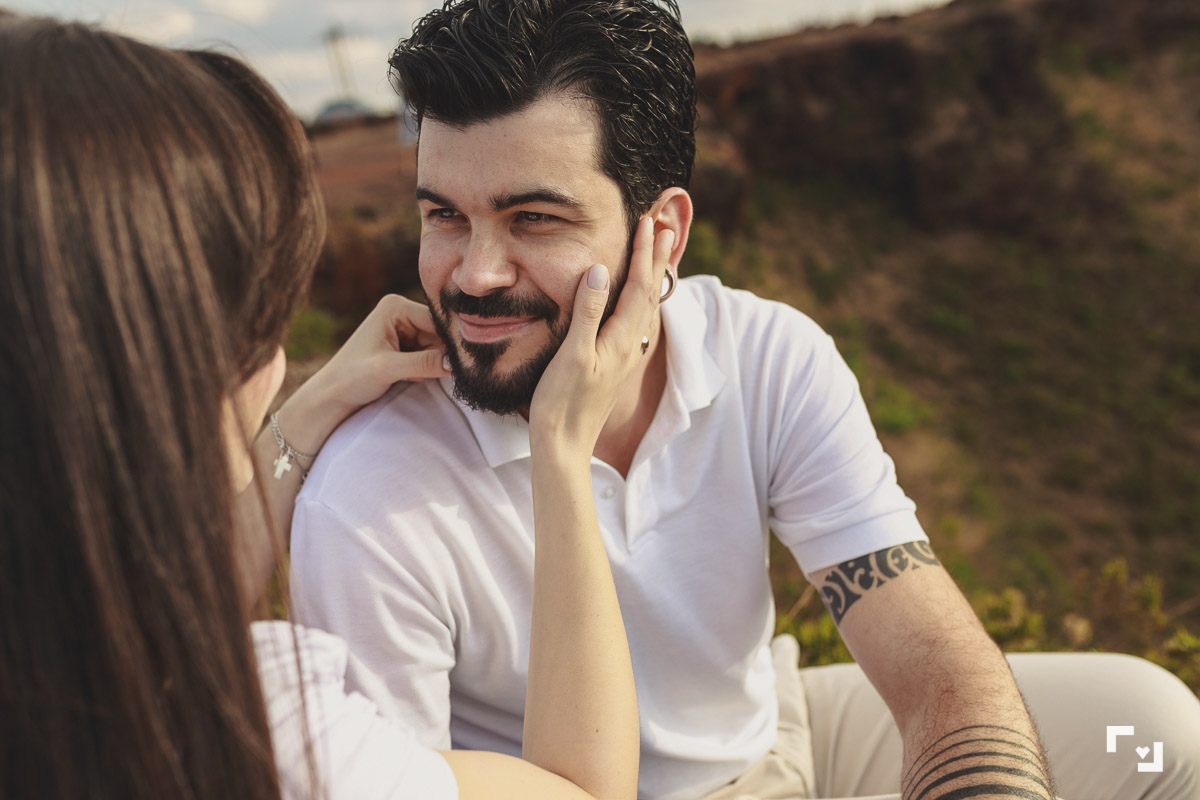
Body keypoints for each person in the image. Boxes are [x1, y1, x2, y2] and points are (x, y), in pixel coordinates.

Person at [289, 1, 1200, 799]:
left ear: (662, 234)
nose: (475, 275)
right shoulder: (371, 494)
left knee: (1152, 730)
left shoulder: (764, 355)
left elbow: (933, 665)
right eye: (444, 215)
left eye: (534, 218)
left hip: (775, 738)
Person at [0, 9, 676, 798]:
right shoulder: (274, 738)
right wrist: (560, 453)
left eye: (534, 218)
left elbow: (135, 626)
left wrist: (306, 412)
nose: (477, 275)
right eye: (265, 317)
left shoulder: (48, 663)